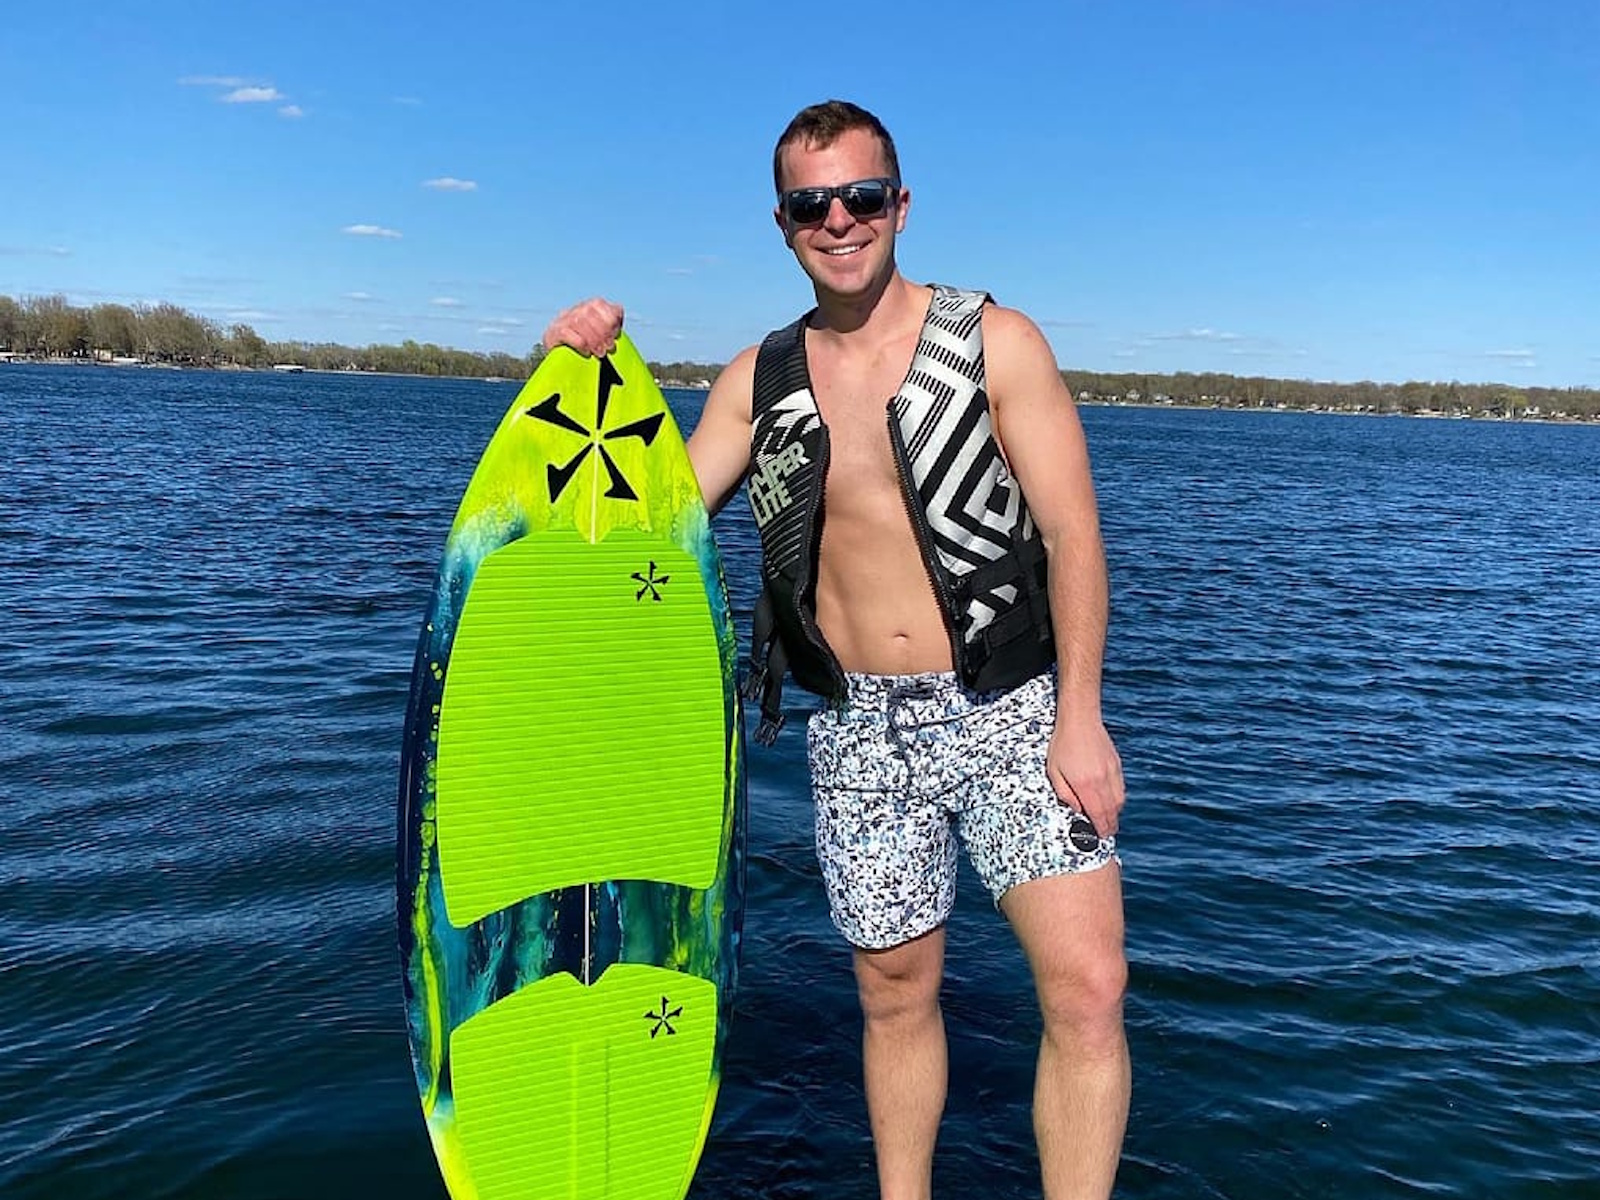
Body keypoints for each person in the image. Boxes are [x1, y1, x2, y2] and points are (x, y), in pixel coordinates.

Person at [544, 99, 1128, 1200]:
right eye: (812, 205)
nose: (839, 221)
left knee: (1089, 989)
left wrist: (1082, 719)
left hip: (1011, 708)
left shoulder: (994, 342)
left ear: (900, 205)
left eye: (860, 197)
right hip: (858, 726)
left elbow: (1073, 535)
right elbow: (651, 524)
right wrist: (581, 375)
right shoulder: (758, 379)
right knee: (895, 997)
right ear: (782, 224)